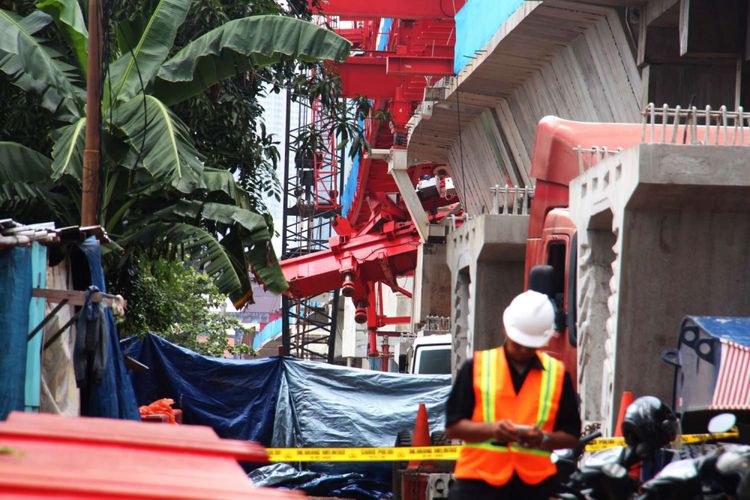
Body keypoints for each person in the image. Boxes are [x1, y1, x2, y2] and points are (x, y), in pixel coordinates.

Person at [445, 290, 581, 500]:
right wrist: (492, 429)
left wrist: (542, 438)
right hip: (478, 484)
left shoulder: (557, 375)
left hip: (534, 487)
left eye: (530, 345)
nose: (524, 351)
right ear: (506, 330)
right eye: (518, 343)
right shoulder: (477, 367)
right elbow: (453, 427)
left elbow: (572, 436)